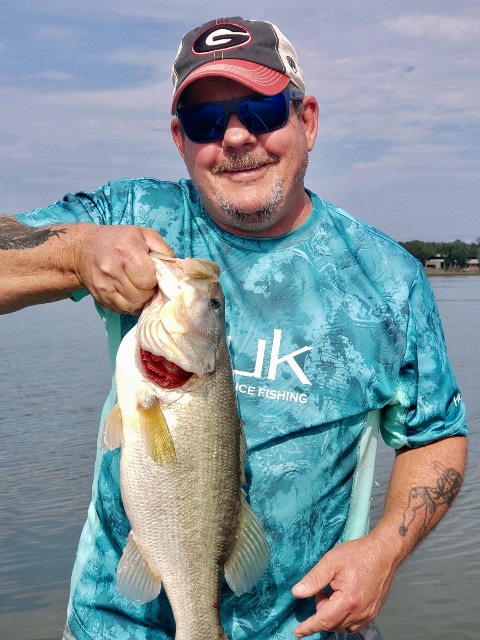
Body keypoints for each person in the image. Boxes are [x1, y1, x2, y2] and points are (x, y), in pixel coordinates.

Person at [0, 16, 467, 640]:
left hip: (305, 627)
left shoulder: (388, 279)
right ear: (179, 138)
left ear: (307, 121)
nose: (238, 136)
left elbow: (437, 436)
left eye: (263, 109)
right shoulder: (134, 215)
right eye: (205, 123)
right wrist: (78, 250)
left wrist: (383, 551)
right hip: (115, 624)